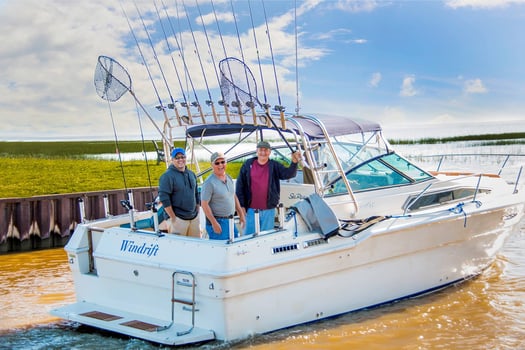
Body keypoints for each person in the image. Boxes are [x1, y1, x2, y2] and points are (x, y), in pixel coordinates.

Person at [236, 140, 302, 235]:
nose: (263, 152)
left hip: (269, 211)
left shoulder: (274, 165)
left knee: (266, 239)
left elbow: (288, 174)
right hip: (250, 211)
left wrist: (294, 162)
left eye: (266, 150)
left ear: (269, 152)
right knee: (248, 238)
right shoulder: (247, 164)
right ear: (257, 151)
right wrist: (241, 206)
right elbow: (240, 186)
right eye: (261, 150)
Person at [200, 152, 246, 240]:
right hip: (218, 222)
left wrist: (241, 214)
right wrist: (214, 223)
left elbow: (233, 196)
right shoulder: (209, 182)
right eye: (217, 163)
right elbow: (204, 204)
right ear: (212, 165)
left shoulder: (228, 177)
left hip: (231, 221)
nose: (220, 165)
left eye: (223, 162)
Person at [158, 147, 201, 237]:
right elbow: (164, 198)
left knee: (196, 247)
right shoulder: (167, 176)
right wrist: (173, 218)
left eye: (182, 157)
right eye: (177, 158)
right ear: (172, 160)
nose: (180, 159)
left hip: (194, 219)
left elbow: (196, 193)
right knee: (179, 249)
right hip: (178, 220)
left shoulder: (191, 174)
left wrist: (197, 209)